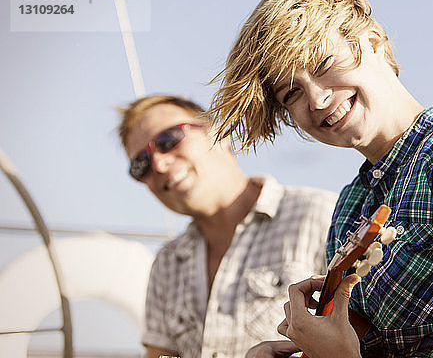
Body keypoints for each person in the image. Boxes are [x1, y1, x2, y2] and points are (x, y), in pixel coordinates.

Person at [210, 0, 433, 358]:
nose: (318, 100)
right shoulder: (350, 204)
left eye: (323, 65)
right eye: (292, 93)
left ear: (372, 41)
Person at [117, 95, 338, 358]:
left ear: (219, 133)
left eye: (168, 140)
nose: (159, 163)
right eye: (141, 164)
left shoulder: (322, 214)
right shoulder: (166, 263)